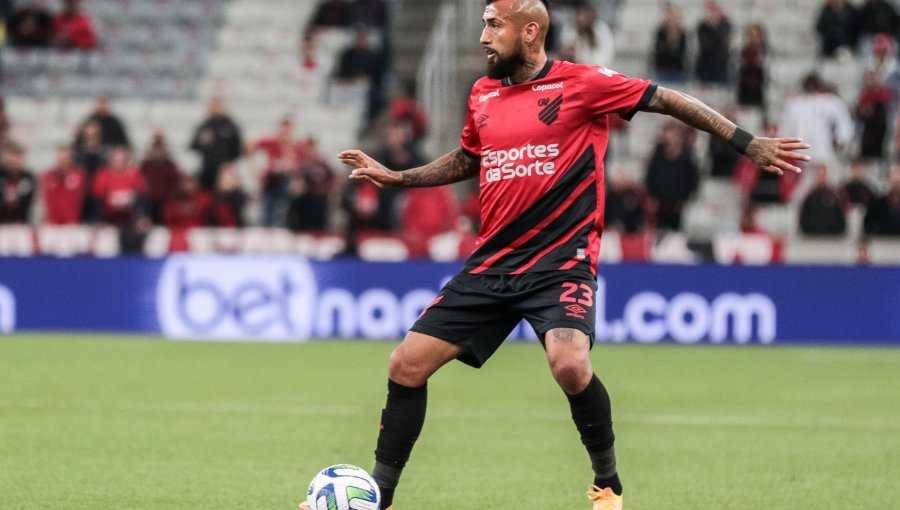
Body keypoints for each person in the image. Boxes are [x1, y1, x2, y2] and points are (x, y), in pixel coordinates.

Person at [330, 1, 809, 509]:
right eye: (482, 25)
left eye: (494, 25)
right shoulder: (483, 93)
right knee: (405, 364)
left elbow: (667, 98)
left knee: (569, 366)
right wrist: (399, 177)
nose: (483, 37)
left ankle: (608, 484)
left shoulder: (583, 84)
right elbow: (470, 157)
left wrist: (745, 141)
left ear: (530, 32)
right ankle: (377, 498)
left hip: (560, 265)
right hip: (491, 265)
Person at [644, 122, 699, 230]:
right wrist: (652, 196)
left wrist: (684, 199)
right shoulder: (658, 153)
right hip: (659, 203)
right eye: (668, 133)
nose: (670, 136)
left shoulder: (688, 155)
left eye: (674, 133)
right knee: (657, 231)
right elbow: (650, 175)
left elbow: (693, 179)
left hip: (677, 204)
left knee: (675, 234)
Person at [189, 96, 243, 191]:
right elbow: (193, 146)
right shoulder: (204, 126)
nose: (215, 108)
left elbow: (238, 147)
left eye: (218, 106)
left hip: (225, 170)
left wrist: (230, 164)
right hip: (208, 169)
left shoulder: (231, 125)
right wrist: (201, 142)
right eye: (213, 106)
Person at [139, 133, 182, 224]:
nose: (159, 151)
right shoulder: (145, 166)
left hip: (167, 202)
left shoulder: (171, 166)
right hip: (149, 202)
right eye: (156, 149)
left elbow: (176, 185)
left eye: (161, 149)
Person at [558, 1, 615, 67]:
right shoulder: (570, 29)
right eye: (578, 14)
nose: (580, 18)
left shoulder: (601, 29)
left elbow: (606, 55)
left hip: (596, 70)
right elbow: (565, 51)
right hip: (576, 69)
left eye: (583, 14)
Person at [41, 144, 87, 225]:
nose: (62, 162)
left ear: (70, 159)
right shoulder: (48, 176)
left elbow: (81, 199)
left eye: (65, 159)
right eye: (60, 159)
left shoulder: (79, 175)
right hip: (52, 224)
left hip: (72, 223)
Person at [799, 163, 848, 235]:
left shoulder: (834, 196)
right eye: (819, 175)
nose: (821, 178)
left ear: (826, 176)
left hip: (832, 237)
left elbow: (841, 219)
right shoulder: (809, 196)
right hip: (812, 237)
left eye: (823, 175)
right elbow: (803, 219)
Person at [695, 0, 732, 85]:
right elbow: (705, 46)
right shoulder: (702, 26)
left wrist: (713, 27)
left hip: (720, 66)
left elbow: (723, 45)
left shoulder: (726, 25)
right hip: (704, 67)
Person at [0, 142, 35, 224]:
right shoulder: (1, 175)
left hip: (21, 223)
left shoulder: (28, 177)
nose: (14, 161)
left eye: (17, 157)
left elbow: (27, 202)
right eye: (12, 157)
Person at [652, 4, 687, 83]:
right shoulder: (661, 31)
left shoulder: (682, 33)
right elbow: (659, 49)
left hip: (677, 70)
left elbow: (681, 52)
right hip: (662, 69)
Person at [737, 23, 767, 108]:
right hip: (744, 91)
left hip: (760, 92)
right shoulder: (742, 53)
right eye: (751, 35)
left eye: (756, 35)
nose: (753, 38)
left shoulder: (765, 53)